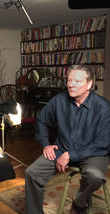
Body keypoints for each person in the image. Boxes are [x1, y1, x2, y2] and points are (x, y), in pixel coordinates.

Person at [25, 65, 110, 214]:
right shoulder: (59, 100)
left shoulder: (103, 107)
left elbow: (103, 144)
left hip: (93, 154)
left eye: (77, 81)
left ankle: (79, 202)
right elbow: (41, 119)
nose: (71, 84)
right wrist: (46, 145)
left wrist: (71, 155)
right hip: (62, 149)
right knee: (32, 173)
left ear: (89, 84)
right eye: (69, 80)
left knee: (95, 176)